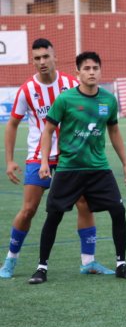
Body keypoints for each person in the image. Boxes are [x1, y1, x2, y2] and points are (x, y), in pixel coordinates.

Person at [1, 38, 112, 280]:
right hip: (37, 157)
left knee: (85, 203)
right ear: (34, 61)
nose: (42, 62)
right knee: (29, 209)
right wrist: (9, 160)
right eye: (37, 58)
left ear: (54, 57)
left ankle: (88, 261)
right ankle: (10, 259)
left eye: (45, 56)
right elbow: (12, 125)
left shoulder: (71, 84)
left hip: (70, 157)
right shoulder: (27, 90)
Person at [28, 51, 126, 284]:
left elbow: (114, 131)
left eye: (95, 68)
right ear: (77, 72)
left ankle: (121, 264)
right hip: (69, 168)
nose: (91, 72)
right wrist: (43, 162)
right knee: (54, 215)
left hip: (99, 169)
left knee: (118, 211)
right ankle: (41, 268)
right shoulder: (65, 99)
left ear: (100, 71)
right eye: (87, 68)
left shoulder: (108, 100)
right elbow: (48, 131)